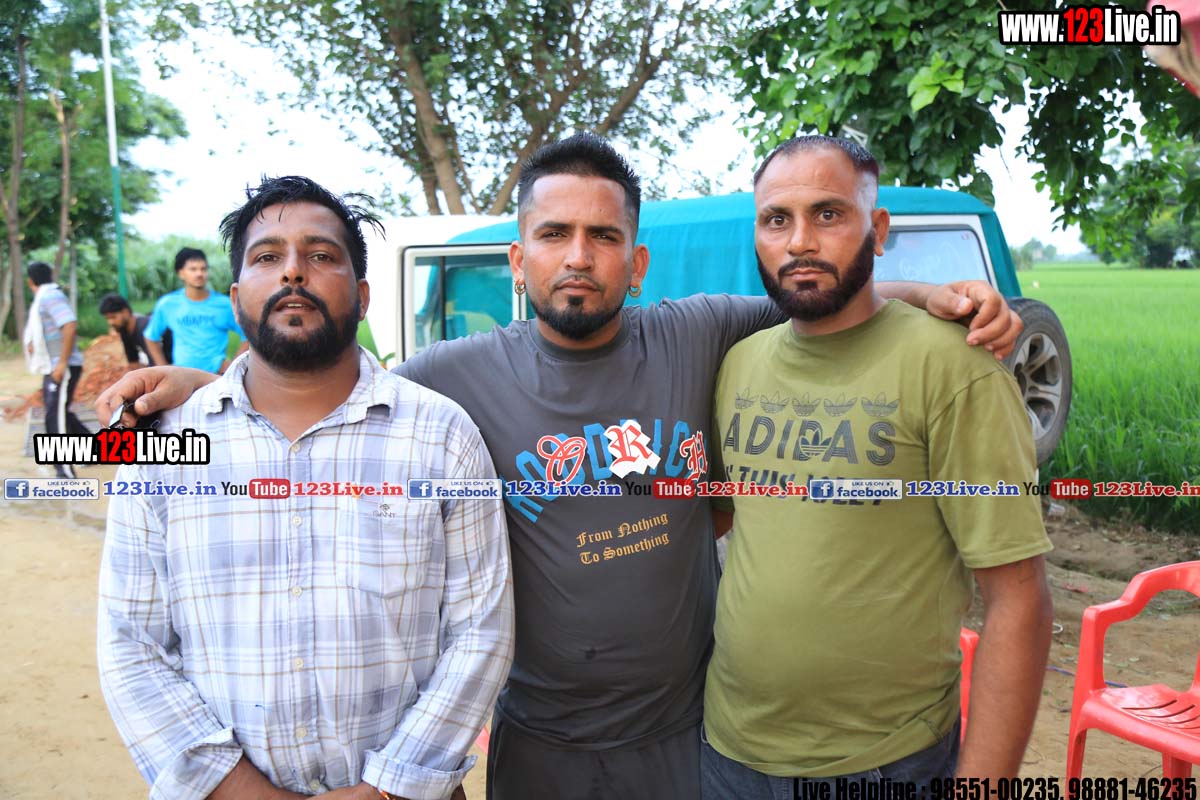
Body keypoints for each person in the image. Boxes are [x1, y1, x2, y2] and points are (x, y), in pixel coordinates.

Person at [96, 134, 1023, 800]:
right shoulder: (451, 380)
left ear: (638, 262)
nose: (578, 257)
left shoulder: (701, 334)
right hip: (540, 744)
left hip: (690, 734)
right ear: (517, 258)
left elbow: (821, 294)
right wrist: (206, 385)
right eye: (553, 235)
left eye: (604, 237)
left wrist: (937, 295)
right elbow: (326, 385)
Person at [97, 176, 514, 800]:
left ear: (363, 296)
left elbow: (482, 630)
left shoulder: (442, 435)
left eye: (321, 255)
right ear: (236, 298)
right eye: (268, 257)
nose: (294, 272)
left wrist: (386, 789)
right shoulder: (161, 447)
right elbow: (131, 643)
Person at [700, 136, 1053, 795]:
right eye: (776, 219)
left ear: (878, 229)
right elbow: (722, 520)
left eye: (828, 214)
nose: (799, 241)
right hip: (726, 751)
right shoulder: (739, 363)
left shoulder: (953, 369)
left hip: (884, 760)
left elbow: (1018, 597)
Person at [23, 260, 89, 478]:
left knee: (54, 415)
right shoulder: (46, 296)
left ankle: (64, 471)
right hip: (54, 365)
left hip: (62, 366)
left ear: (30, 281)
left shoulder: (50, 296)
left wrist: (61, 363)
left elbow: (69, 324)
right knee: (59, 411)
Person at [144, 246, 247, 372]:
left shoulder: (225, 304)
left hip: (216, 376)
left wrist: (233, 368)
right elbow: (151, 337)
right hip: (182, 376)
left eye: (203, 269)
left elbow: (248, 335)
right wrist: (163, 368)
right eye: (193, 269)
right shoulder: (167, 304)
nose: (199, 274)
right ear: (181, 273)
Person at [98, 293, 174, 365]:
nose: (110, 322)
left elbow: (158, 365)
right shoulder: (124, 331)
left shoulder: (144, 328)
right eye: (107, 318)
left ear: (125, 312)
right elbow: (133, 362)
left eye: (113, 317)